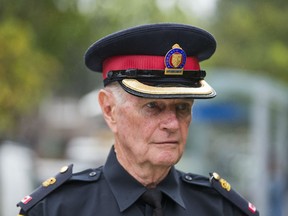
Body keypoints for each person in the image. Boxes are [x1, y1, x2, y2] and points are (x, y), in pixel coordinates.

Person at [17, 23, 259, 216]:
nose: (172, 124)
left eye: (183, 107)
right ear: (109, 109)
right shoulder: (56, 209)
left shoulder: (220, 208)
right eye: (153, 106)